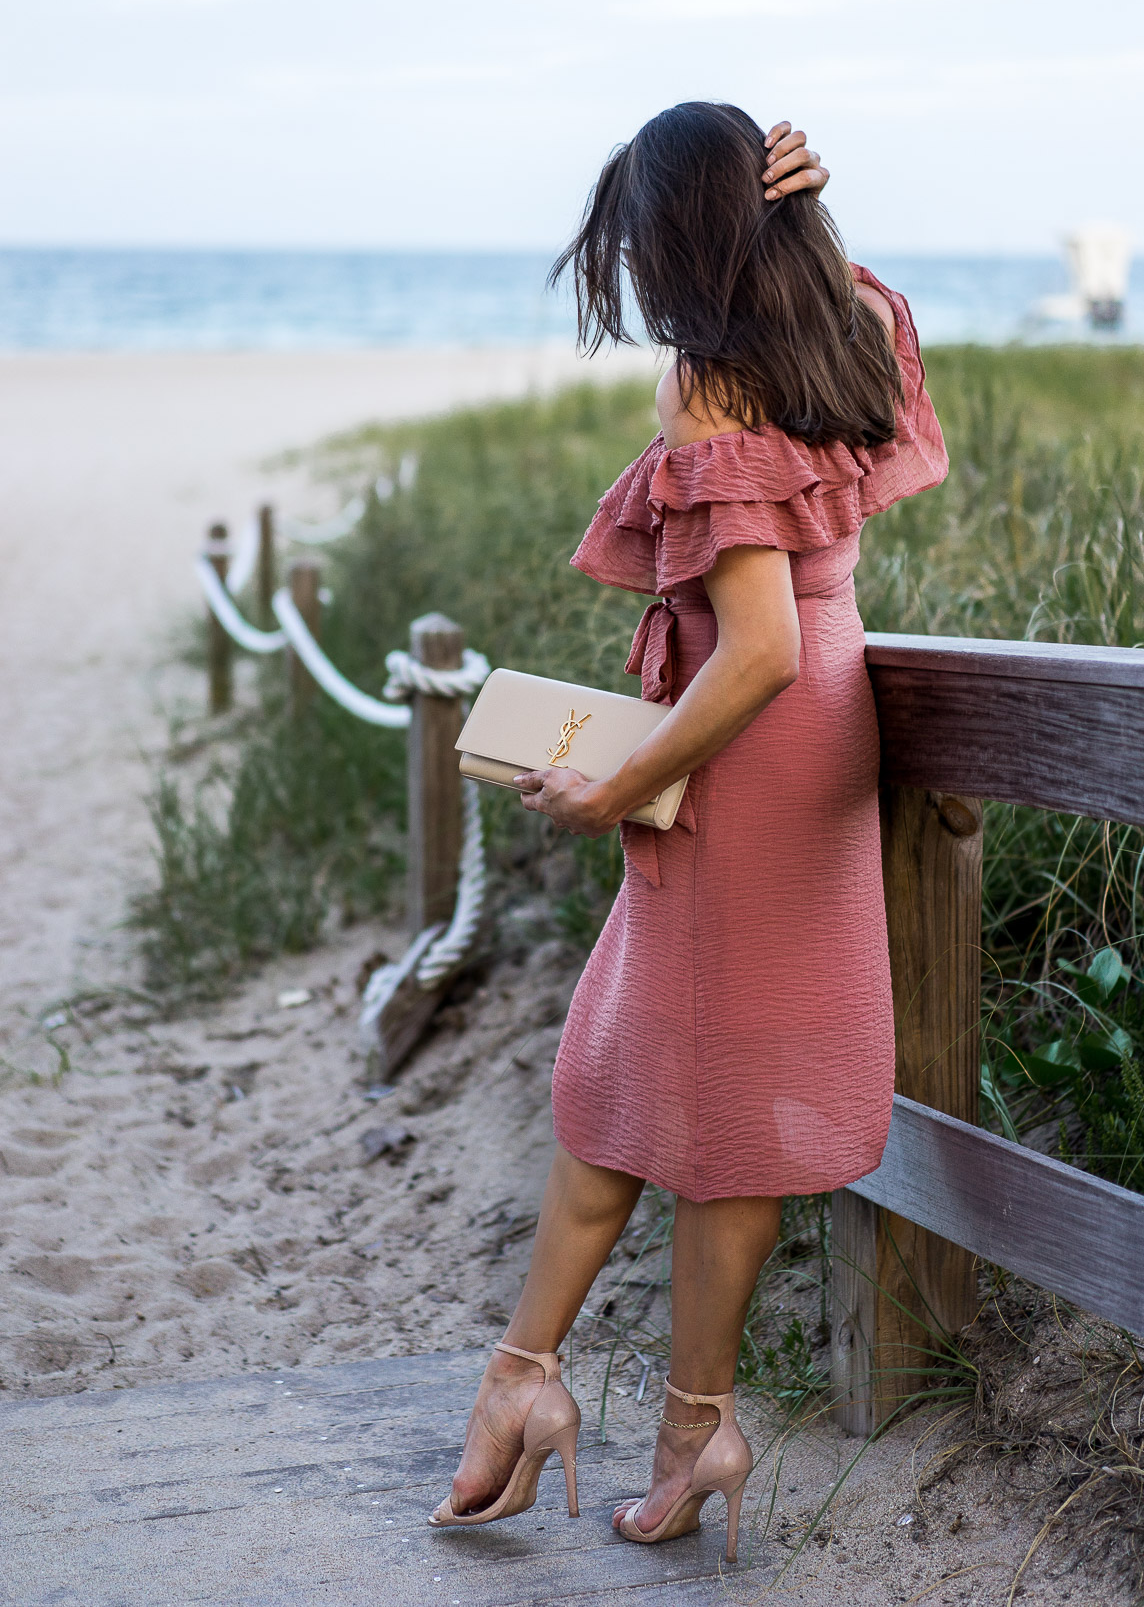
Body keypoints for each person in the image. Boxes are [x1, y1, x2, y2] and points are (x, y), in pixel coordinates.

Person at [428, 105, 947, 1558]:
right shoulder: (842, 327)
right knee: (710, 1106)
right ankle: (684, 1421)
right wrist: (814, 218)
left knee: (631, 1088)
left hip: (753, 745)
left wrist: (613, 781)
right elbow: (791, 634)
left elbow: (758, 645)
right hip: (813, 748)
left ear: (679, 237)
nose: (638, 273)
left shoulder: (712, 387)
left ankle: (529, 1391)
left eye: (644, 241)